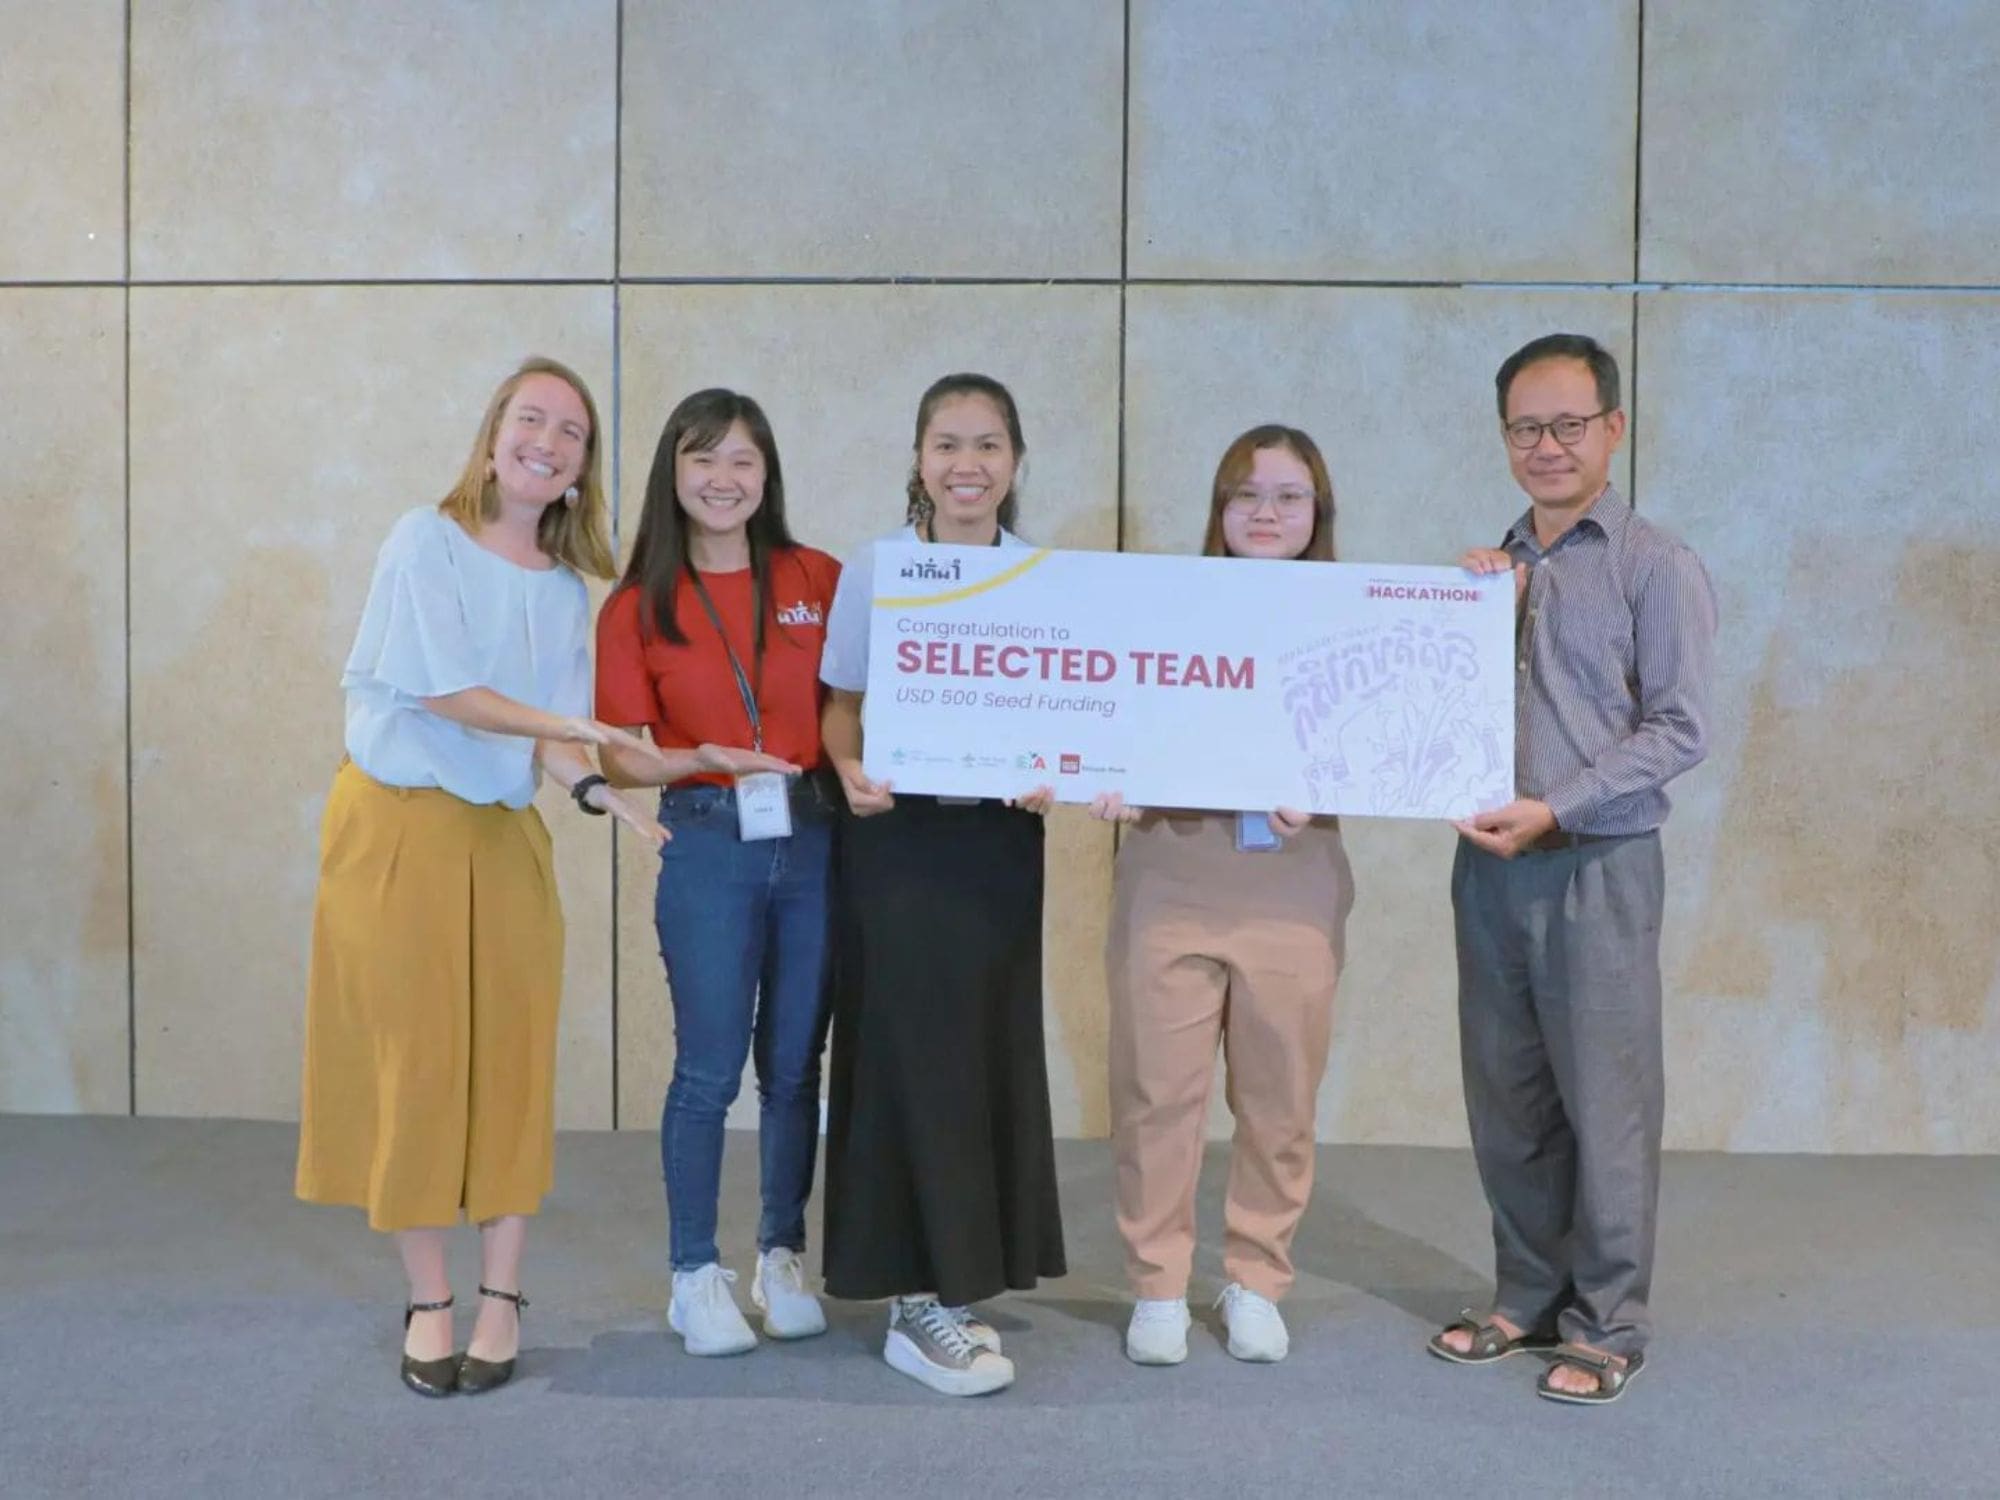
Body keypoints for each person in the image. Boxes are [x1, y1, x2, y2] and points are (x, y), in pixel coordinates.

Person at [295, 356, 668, 1399]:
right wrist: (572, 726)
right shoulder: (425, 539)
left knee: (510, 1062)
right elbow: (452, 693)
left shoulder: (561, 589)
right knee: (413, 1064)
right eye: (530, 419)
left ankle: (502, 1297)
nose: (546, 443)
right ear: (492, 430)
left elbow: (553, 743)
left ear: (584, 467)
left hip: (502, 847)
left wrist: (603, 796)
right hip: (396, 833)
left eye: (572, 434)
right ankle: (429, 1300)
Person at [1431, 332, 1716, 1406]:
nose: (1544, 446)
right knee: (1506, 1093)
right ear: (1502, 436)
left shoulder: (1653, 564)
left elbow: (1679, 726)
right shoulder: (1487, 571)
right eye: (1523, 427)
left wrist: (1558, 802)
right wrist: (1459, 619)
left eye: (1566, 424)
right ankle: (1524, 1292)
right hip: (1487, 869)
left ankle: (1608, 1321)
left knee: (1605, 1099)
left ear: (1612, 429)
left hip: (1597, 862)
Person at [816, 372, 1064, 1397]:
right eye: (947, 444)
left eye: (988, 445)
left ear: (1014, 461)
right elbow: (839, 712)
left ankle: (956, 1281)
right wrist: (845, 771)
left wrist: (1059, 770)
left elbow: (1070, 716)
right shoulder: (880, 568)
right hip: (899, 844)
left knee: (983, 1053)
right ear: (917, 458)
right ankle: (910, 1300)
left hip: (999, 851)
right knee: (907, 1056)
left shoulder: (1043, 577)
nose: (967, 465)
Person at [1092, 425, 1356, 1367]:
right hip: (1171, 868)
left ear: (1317, 513)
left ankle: (1255, 1277)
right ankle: (1158, 1285)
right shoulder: (1162, 609)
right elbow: (1110, 713)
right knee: (1156, 1095)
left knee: (1280, 1095)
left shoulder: (1355, 618)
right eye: (1245, 494)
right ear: (1218, 509)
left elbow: (1396, 739)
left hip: (1294, 881)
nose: (1267, 512)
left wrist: (1325, 784)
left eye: (1289, 495)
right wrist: (1103, 772)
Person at [594, 389, 842, 1356]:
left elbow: (852, 710)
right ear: (674, 473)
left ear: (767, 473)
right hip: (705, 838)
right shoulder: (637, 603)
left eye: (742, 460)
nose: (724, 480)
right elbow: (620, 756)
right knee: (707, 1069)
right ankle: (694, 1272)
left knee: (793, 1068)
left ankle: (781, 1254)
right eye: (703, 460)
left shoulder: (816, 576)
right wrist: (709, 758)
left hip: (815, 839)